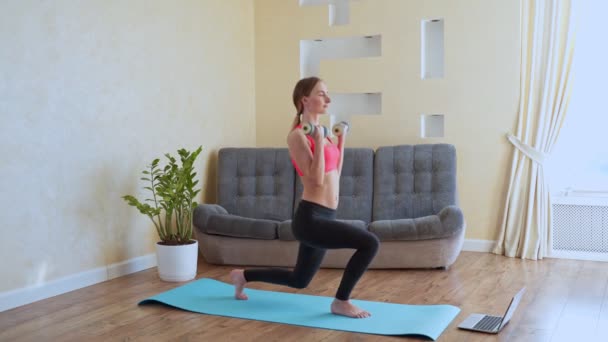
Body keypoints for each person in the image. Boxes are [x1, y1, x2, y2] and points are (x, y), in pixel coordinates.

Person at [230, 76, 379, 318]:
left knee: (299, 279)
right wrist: (319, 142)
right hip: (311, 219)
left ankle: (242, 276)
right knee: (370, 243)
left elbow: (336, 174)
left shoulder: (324, 134)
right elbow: (316, 180)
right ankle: (341, 301)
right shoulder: (298, 137)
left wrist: (340, 142)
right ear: (305, 100)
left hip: (326, 215)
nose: (328, 99)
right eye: (322, 94)